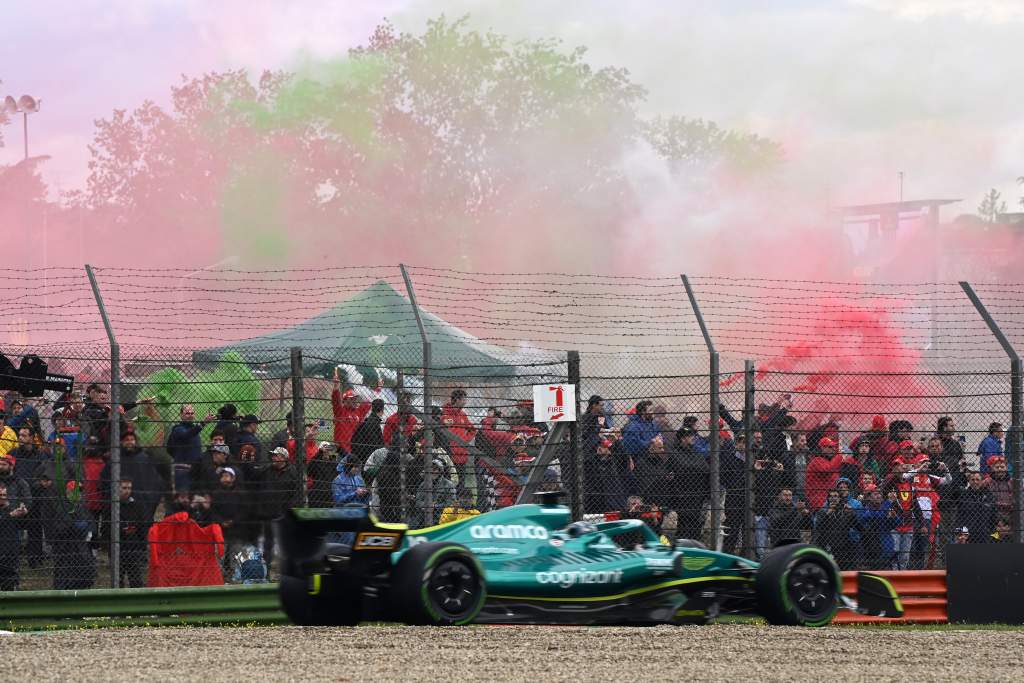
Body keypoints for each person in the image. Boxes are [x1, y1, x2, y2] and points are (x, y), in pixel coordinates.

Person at [259, 446, 300, 564]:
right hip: (269, 512)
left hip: (284, 513)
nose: (273, 457)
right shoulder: (267, 470)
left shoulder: (293, 472)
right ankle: (267, 566)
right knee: (268, 541)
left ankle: (287, 565)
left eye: (276, 455)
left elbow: (297, 493)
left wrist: (289, 509)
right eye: (273, 455)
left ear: (283, 458)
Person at [165, 405, 216, 493]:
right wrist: (203, 423)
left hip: (195, 470)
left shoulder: (195, 431)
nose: (190, 415)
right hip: (182, 470)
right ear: (181, 415)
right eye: (187, 413)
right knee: (183, 497)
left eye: (192, 413)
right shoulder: (178, 429)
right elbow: (187, 435)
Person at [331, 367, 371, 456]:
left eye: (355, 398)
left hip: (354, 448)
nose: (354, 400)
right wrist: (336, 387)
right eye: (351, 399)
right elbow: (336, 401)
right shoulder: (340, 411)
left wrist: (377, 389)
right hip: (341, 449)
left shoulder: (358, 411)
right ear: (345, 401)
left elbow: (369, 401)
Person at [441, 389, 477, 485]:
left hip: (461, 455)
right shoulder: (443, 413)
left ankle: (458, 500)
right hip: (448, 454)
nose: (465, 402)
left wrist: (465, 440)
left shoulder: (463, 415)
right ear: (457, 399)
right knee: (448, 482)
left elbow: (473, 430)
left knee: (460, 483)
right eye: (464, 399)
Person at [856, 485, 896, 570]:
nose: (879, 496)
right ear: (869, 497)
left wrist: (893, 518)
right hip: (871, 552)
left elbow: (897, 522)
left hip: (887, 549)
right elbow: (874, 516)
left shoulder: (886, 507)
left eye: (880, 493)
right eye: (875, 494)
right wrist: (888, 502)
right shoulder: (865, 509)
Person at [118, 478, 148, 587]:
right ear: (118, 489)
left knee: (136, 579)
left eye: (129, 488)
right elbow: (107, 527)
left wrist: (141, 545)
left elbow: (142, 525)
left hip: (133, 546)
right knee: (118, 580)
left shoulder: (137, 505)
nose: (127, 491)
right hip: (118, 546)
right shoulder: (112, 505)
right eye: (124, 488)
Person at [0, 482, 29, 590]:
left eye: (4, 495)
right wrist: (10, 516)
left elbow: (24, 526)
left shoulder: (10, 509)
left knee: (9, 586)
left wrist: (24, 514)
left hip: (9, 556)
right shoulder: (9, 512)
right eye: (0, 496)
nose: (3, 498)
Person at [805, 438, 844, 510]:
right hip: (819, 503)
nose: (833, 449)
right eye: (830, 447)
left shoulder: (830, 461)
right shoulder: (816, 460)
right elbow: (827, 470)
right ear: (822, 448)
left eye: (833, 447)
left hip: (830, 501)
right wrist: (839, 456)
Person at [415, 459, 456, 526]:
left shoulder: (448, 484)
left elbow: (451, 503)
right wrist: (426, 505)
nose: (432, 471)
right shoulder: (424, 484)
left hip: (441, 516)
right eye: (431, 469)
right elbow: (418, 501)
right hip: (424, 515)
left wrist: (435, 506)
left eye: (435, 469)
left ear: (440, 471)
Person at [957, 470, 995, 541]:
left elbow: (994, 516)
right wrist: (962, 533)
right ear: (969, 481)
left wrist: (993, 535)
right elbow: (960, 517)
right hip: (969, 535)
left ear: (982, 481)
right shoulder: (963, 496)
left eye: (978, 479)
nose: (975, 482)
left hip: (986, 534)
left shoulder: (989, 495)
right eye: (972, 480)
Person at [307, 442, 340, 508]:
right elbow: (309, 471)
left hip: (330, 493)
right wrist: (320, 453)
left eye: (328, 450)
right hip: (318, 493)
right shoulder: (315, 462)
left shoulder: (333, 463)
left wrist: (339, 449)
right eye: (324, 450)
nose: (326, 452)